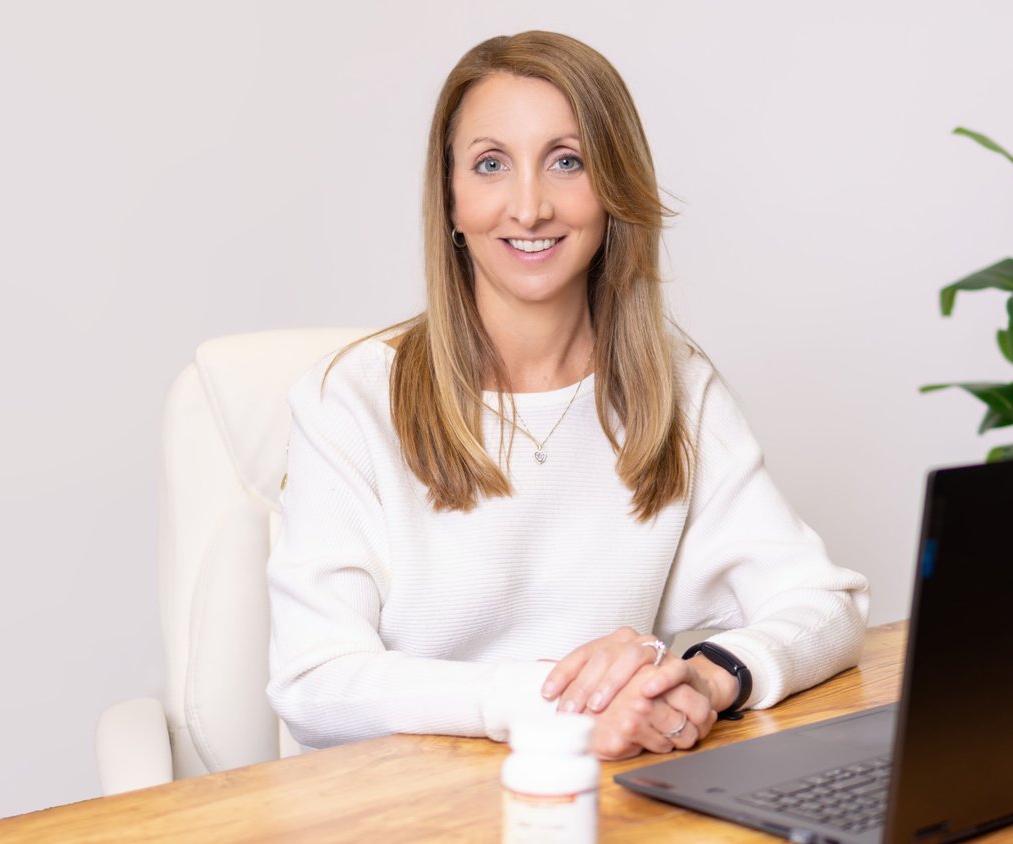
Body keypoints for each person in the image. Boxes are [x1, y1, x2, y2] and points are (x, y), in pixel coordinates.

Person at [265, 30, 868, 761]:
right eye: (491, 164)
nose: (528, 207)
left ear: (613, 188)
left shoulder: (676, 392)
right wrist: (559, 703)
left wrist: (703, 682)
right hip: (406, 807)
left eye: (567, 162)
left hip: (604, 800)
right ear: (450, 198)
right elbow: (314, 682)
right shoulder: (350, 401)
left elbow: (825, 607)